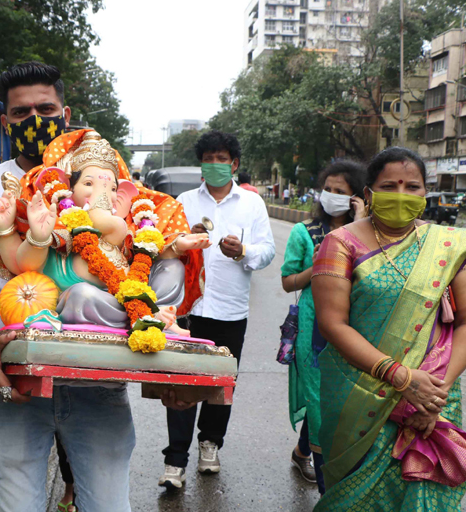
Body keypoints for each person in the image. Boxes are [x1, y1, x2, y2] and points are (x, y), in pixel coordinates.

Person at [0, 61, 141, 512]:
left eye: (46, 108)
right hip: (14, 376)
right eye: (21, 112)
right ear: (5, 121)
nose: (34, 119)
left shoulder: (106, 183)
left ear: (65, 114)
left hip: (98, 377)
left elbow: (142, 264)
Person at [312, 147, 466, 510]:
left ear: (425, 193)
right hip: (361, 393)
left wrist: (434, 393)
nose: (402, 194)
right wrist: (400, 377)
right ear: (368, 194)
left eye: (412, 186)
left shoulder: (449, 244)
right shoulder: (340, 242)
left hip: (435, 394)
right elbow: (333, 324)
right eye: (389, 185)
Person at [159, 129, 275, 488]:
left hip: (230, 310)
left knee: (221, 382)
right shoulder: (183, 202)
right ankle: (175, 461)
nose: (214, 165)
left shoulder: (252, 204)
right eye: (208, 160)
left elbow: (267, 251)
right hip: (186, 310)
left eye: (221, 159)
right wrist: (182, 243)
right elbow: (161, 248)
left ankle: (210, 443)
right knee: (180, 380)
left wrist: (243, 251)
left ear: (234, 164)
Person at [280, 160, 367, 494]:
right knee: (319, 401)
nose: (331, 196)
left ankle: (303, 450)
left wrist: (360, 226)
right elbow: (289, 281)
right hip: (313, 327)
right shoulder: (304, 232)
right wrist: (317, 264)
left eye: (340, 191)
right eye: (328, 189)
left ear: (356, 198)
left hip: (357, 326)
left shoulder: (370, 234)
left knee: (341, 400)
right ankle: (329, 493)